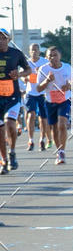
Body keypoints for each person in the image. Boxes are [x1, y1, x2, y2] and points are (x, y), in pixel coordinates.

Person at [0, 29, 30, 172]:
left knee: (10, 124)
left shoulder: (16, 54)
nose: (1, 40)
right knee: (0, 132)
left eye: (3, 38)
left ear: (8, 39)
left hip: (12, 96)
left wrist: (19, 74)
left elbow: (29, 70)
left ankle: (12, 152)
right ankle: (4, 161)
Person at [37, 47, 71, 165]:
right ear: (46, 58)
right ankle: (59, 150)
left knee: (62, 124)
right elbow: (38, 88)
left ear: (60, 56)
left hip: (64, 100)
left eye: (55, 55)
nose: (53, 58)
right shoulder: (43, 69)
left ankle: (62, 151)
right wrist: (47, 80)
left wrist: (69, 86)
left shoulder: (67, 67)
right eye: (50, 56)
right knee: (54, 128)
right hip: (50, 101)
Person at [25, 43, 49, 151]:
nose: (34, 52)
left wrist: (41, 71)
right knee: (31, 115)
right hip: (31, 93)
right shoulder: (26, 63)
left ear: (39, 51)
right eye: (32, 50)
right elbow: (22, 75)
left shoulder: (44, 62)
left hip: (42, 93)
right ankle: (30, 140)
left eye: (36, 50)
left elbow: (50, 74)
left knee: (43, 118)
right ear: (29, 52)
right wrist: (24, 79)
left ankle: (42, 139)